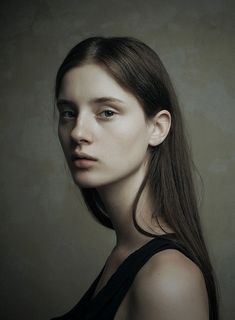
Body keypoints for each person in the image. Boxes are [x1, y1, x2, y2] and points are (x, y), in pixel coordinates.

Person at [51, 36, 219, 320]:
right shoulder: (126, 252)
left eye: (106, 112)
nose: (78, 132)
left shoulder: (168, 279)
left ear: (157, 128)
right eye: (68, 113)